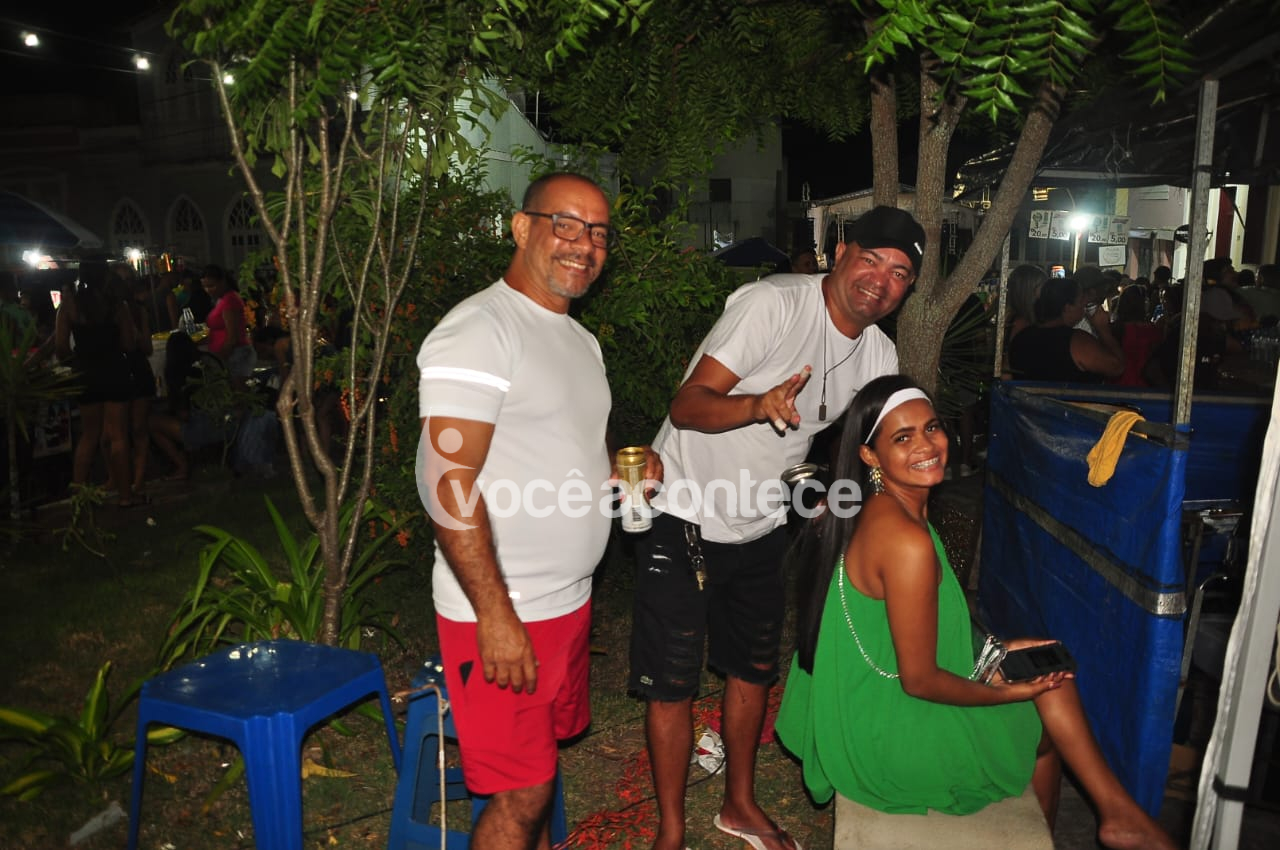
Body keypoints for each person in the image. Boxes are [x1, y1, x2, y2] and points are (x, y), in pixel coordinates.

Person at [776, 375, 1177, 850]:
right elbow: (919, 681)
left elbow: (912, 626)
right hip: (884, 729)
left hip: (873, 691)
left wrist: (994, 651)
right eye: (902, 438)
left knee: (1049, 674)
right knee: (1039, 724)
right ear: (870, 456)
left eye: (932, 428)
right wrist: (1005, 693)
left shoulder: (885, 509)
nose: (926, 446)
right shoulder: (905, 541)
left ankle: (1117, 814)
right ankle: (1113, 818)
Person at [632, 205, 922, 850]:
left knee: (754, 669)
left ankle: (739, 803)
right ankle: (671, 831)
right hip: (683, 510)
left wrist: (843, 495)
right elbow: (687, 405)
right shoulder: (773, 305)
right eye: (871, 259)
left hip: (763, 521)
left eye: (899, 273)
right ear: (841, 253)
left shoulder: (879, 353)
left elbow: (871, 444)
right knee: (673, 680)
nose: (880, 279)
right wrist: (757, 405)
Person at [416, 172, 662, 850]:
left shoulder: (580, 340)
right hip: (503, 609)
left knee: (540, 770)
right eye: (566, 225)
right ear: (522, 228)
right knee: (519, 793)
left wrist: (622, 467)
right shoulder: (480, 330)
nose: (584, 244)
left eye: (599, 233)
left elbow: (568, 444)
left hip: (568, 601)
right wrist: (495, 615)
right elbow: (446, 482)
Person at [54, 260, 141, 507]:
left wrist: (78, 359)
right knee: (118, 436)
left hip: (86, 373)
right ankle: (126, 496)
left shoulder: (69, 306)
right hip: (114, 370)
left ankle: (79, 499)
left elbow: (61, 348)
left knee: (89, 435)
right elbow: (129, 344)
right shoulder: (117, 305)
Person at [1008, 276, 1124, 382]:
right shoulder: (1077, 341)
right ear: (1068, 308)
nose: (1083, 307)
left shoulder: (1021, 337)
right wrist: (1103, 330)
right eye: (1080, 301)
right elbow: (1116, 367)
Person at [201, 264, 256, 382]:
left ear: (222, 282)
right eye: (205, 287)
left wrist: (219, 359)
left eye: (211, 286)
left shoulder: (230, 300)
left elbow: (232, 337)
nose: (208, 290)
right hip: (231, 355)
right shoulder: (222, 300)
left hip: (236, 355)